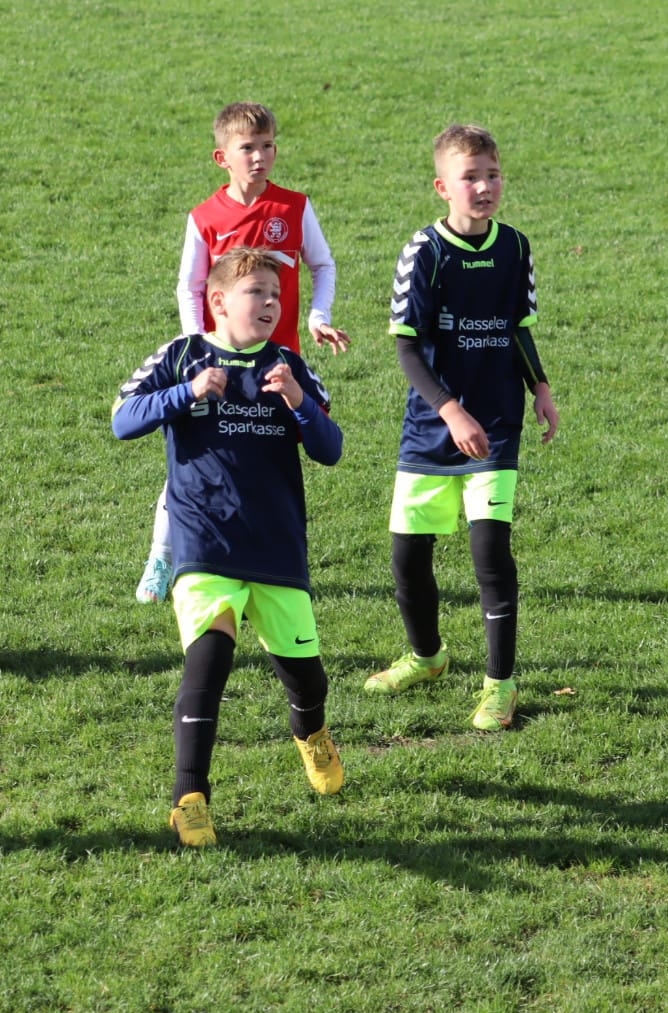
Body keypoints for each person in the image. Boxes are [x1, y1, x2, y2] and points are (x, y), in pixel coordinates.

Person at [113, 247, 345, 847]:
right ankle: (189, 798)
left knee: (307, 680)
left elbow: (331, 449)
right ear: (218, 300)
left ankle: (311, 734)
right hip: (204, 542)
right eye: (256, 293)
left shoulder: (289, 365)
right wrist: (186, 393)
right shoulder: (182, 355)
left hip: (276, 546)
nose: (270, 303)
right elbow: (122, 419)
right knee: (208, 662)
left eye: (276, 294)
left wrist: (298, 402)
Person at [362, 123, 559, 733]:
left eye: (492, 175)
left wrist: (540, 386)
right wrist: (450, 409)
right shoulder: (425, 252)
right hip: (431, 427)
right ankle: (427, 657)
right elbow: (407, 349)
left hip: (495, 425)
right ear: (442, 187)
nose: (483, 187)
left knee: (490, 553)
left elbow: (516, 327)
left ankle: (501, 685)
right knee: (407, 557)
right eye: (469, 177)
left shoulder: (515, 247)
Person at [134, 101, 351, 605]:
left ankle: (263, 558)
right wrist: (196, 346)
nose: (260, 157)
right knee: (199, 458)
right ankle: (163, 555)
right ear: (222, 158)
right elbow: (189, 286)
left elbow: (323, 265)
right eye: (248, 148)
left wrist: (317, 317)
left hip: (277, 363)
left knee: (266, 456)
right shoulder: (205, 217)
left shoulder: (294, 208)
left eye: (268, 146)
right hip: (217, 362)